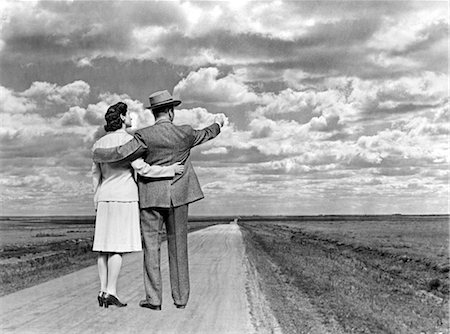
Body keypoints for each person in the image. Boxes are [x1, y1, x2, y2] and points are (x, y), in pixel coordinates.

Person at [93, 90, 224, 310]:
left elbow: (121, 154)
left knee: (151, 249)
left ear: (154, 113)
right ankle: (181, 299)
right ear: (171, 112)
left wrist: (98, 154)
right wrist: (218, 124)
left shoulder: (144, 136)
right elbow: (207, 134)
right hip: (180, 196)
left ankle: (154, 299)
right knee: (178, 247)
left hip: (150, 197)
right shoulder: (185, 133)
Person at [92, 102, 184, 308]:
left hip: (104, 196)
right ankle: (111, 292)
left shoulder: (98, 144)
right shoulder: (130, 141)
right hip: (124, 197)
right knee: (117, 246)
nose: (132, 118)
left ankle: (102, 290)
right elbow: (142, 169)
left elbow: (95, 176)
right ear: (122, 118)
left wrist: (96, 200)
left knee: (103, 248)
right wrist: (170, 170)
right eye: (129, 115)